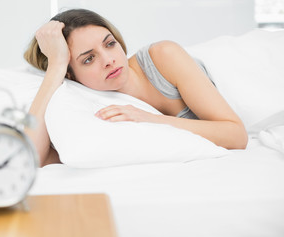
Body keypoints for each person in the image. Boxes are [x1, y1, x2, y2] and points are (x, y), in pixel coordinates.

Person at [24, 8, 248, 167]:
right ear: (70, 73)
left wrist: (150, 119)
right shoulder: (77, 97)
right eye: (89, 59)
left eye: (110, 44)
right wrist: (55, 67)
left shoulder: (163, 56)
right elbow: (34, 159)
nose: (109, 60)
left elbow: (237, 135)